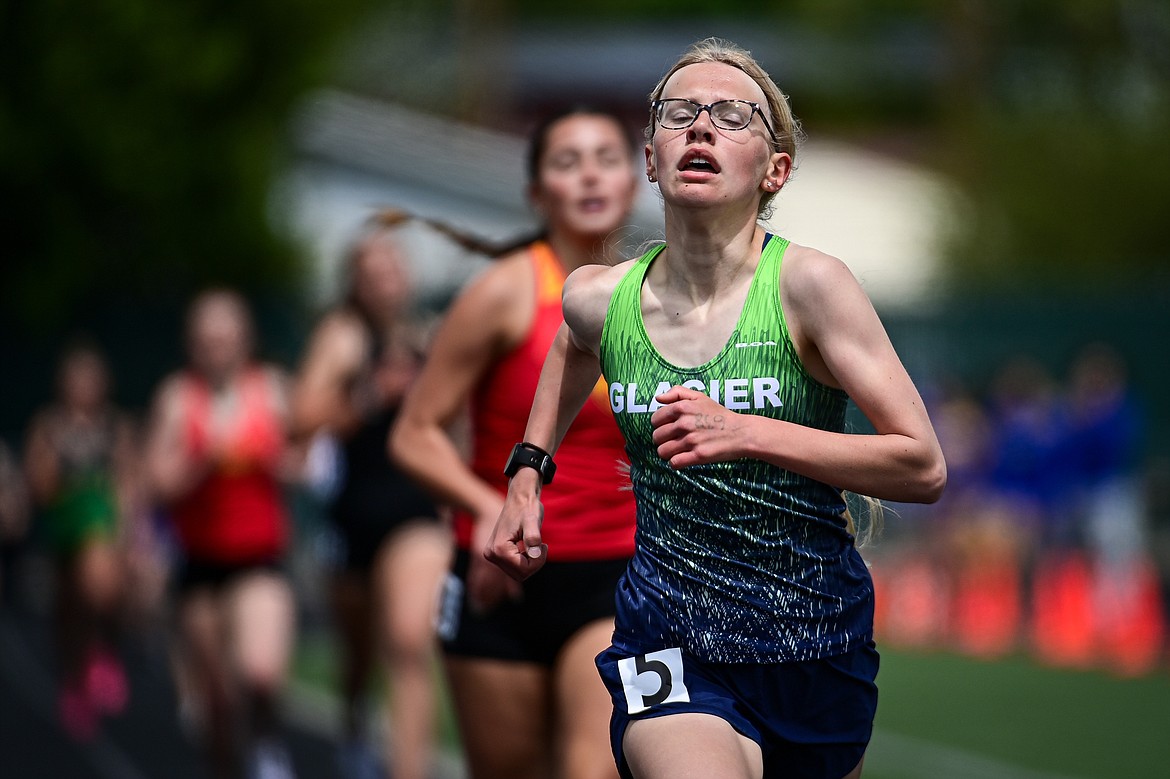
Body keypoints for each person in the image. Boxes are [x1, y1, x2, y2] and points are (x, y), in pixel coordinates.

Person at [486, 38, 947, 779]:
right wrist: (528, 471)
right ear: (650, 156)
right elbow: (573, 345)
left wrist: (748, 432)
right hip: (663, 640)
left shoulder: (811, 288)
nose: (701, 127)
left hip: (813, 646)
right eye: (680, 113)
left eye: (733, 116)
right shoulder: (601, 298)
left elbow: (922, 464)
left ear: (776, 169)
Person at [390, 106, 640, 779]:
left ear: (636, 181)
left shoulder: (654, 299)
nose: (589, 174)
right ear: (537, 193)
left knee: (596, 768)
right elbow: (413, 433)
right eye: (567, 160)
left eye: (606, 157)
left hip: (618, 579)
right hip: (499, 577)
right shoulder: (504, 293)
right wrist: (480, 510)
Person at [290, 210, 451, 779]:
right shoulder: (341, 337)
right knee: (358, 656)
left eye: (393, 263)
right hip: (354, 515)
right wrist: (366, 396)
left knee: (409, 643)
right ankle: (355, 723)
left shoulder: (427, 335)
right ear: (355, 279)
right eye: (372, 266)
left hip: (414, 512)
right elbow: (300, 420)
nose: (386, 275)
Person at [146, 289, 298, 779]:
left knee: (260, 672)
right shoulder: (177, 397)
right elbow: (156, 482)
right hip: (200, 566)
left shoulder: (271, 389)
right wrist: (200, 460)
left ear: (244, 338)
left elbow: (306, 464)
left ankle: (268, 739)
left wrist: (274, 455)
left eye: (225, 336)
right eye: (206, 339)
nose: (217, 347)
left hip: (259, 558)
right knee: (216, 705)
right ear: (192, 344)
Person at [23, 341, 136, 741]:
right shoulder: (49, 426)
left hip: (100, 522)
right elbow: (38, 483)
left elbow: (127, 480)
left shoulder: (115, 426)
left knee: (102, 590)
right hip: (63, 523)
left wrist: (125, 525)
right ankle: (74, 676)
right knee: (69, 605)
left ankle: (103, 654)